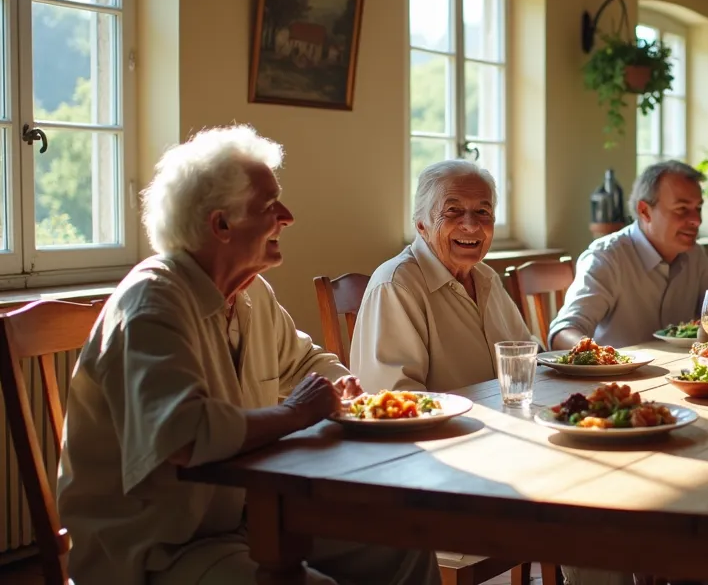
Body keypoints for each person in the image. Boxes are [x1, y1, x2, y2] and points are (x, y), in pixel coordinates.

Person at [56, 125, 436, 585]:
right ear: (221, 224)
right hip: (156, 549)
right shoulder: (153, 302)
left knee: (405, 541)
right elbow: (184, 436)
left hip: (243, 517)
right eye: (269, 206)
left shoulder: (251, 293)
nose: (288, 216)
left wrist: (347, 393)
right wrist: (297, 412)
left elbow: (304, 363)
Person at [352, 160, 534, 392]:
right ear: (421, 225)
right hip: (446, 427)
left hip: (504, 419)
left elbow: (527, 355)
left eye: (482, 211)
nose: (470, 224)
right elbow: (398, 398)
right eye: (453, 210)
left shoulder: (486, 278)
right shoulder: (397, 284)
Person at [550, 160, 708, 351]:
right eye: (682, 209)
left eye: (698, 208)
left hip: (683, 379)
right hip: (616, 384)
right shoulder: (607, 257)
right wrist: (604, 359)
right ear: (645, 211)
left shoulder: (694, 256)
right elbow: (563, 332)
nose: (696, 220)